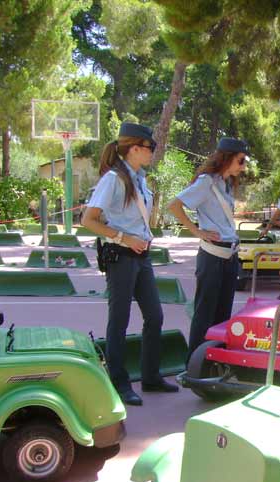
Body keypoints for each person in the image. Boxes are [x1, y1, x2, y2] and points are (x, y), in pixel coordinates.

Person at [82, 122, 178, 406]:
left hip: (141, 256)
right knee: (119, 321)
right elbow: (88, 220)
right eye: (150, 147)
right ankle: (119, 382)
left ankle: (150, 377)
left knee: (155, 315)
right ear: (134, 148)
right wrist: (124, 237)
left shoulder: (139, 179)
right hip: (121, 256)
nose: (153, 152)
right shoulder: (113, 178)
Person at [168, 137, 248, 354]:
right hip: (212, 256)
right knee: (204, 314)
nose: (243, 167)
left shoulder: (226, 184)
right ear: (227, 158)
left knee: (223, 315)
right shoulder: (206, 182)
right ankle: (195, 362)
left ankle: (215, 359)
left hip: (229, 256)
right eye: (241, 161)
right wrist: (197, 232)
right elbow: (174, 206)